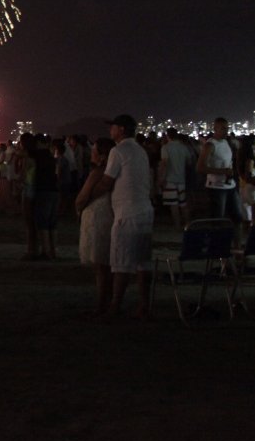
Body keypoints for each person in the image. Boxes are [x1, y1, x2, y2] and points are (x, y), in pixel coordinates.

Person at [83, 115, 154, 318]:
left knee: (120, 263)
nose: (110, 130)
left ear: (121, 129)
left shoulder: (118, 150)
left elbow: (107, 182)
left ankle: (114, 306)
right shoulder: (140, 150)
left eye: (113, 127)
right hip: (145, 210)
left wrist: (87, 196)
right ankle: (144, 305)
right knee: (142, 262)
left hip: (126, 212)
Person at [75, 138, 116, 316]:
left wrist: (77, 207)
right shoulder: (115, 172)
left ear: (101, 155)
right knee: (109, 263)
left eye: (94, 150)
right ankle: (110, 300)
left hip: (97, 215)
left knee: (100, 264)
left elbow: (83, 197)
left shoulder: (98, 172)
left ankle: (101, 304)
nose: (91, 153)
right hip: (111, 214)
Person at [198, 117, 243, 245]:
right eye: (223, 128)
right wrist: (223, 172)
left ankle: (237, 248)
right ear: (215, 129)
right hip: (216, 188)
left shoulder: (226, 142)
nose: (226, 131)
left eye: (227, 128)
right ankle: (219, 249)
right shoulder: (210, 145)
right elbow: (200, 167)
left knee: (237, 218)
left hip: (229, 186)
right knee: (218, 221)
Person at [157, 128, 194, 230]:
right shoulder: (183, 147)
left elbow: (164, 164)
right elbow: (189, 162)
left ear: (168, 136)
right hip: (181, 179)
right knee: (183, 204)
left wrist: (160, 179)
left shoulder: (165, 148)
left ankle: (177, 226)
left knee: (174, 205)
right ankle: (188, 225)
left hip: (170, 180)